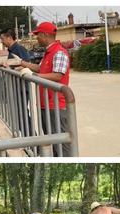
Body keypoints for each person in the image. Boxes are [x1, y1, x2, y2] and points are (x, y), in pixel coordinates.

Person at [13, 22, 72, 156]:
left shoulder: (59, 52)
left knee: (62, 144)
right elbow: (40, 68)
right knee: (53, 141)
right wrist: (22, 64)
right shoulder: (49, 52)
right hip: (45, 104)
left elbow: (58, 75)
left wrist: (33, 75)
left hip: (56, 105)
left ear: (45, 35)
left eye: (37, 35)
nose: (36, 38)